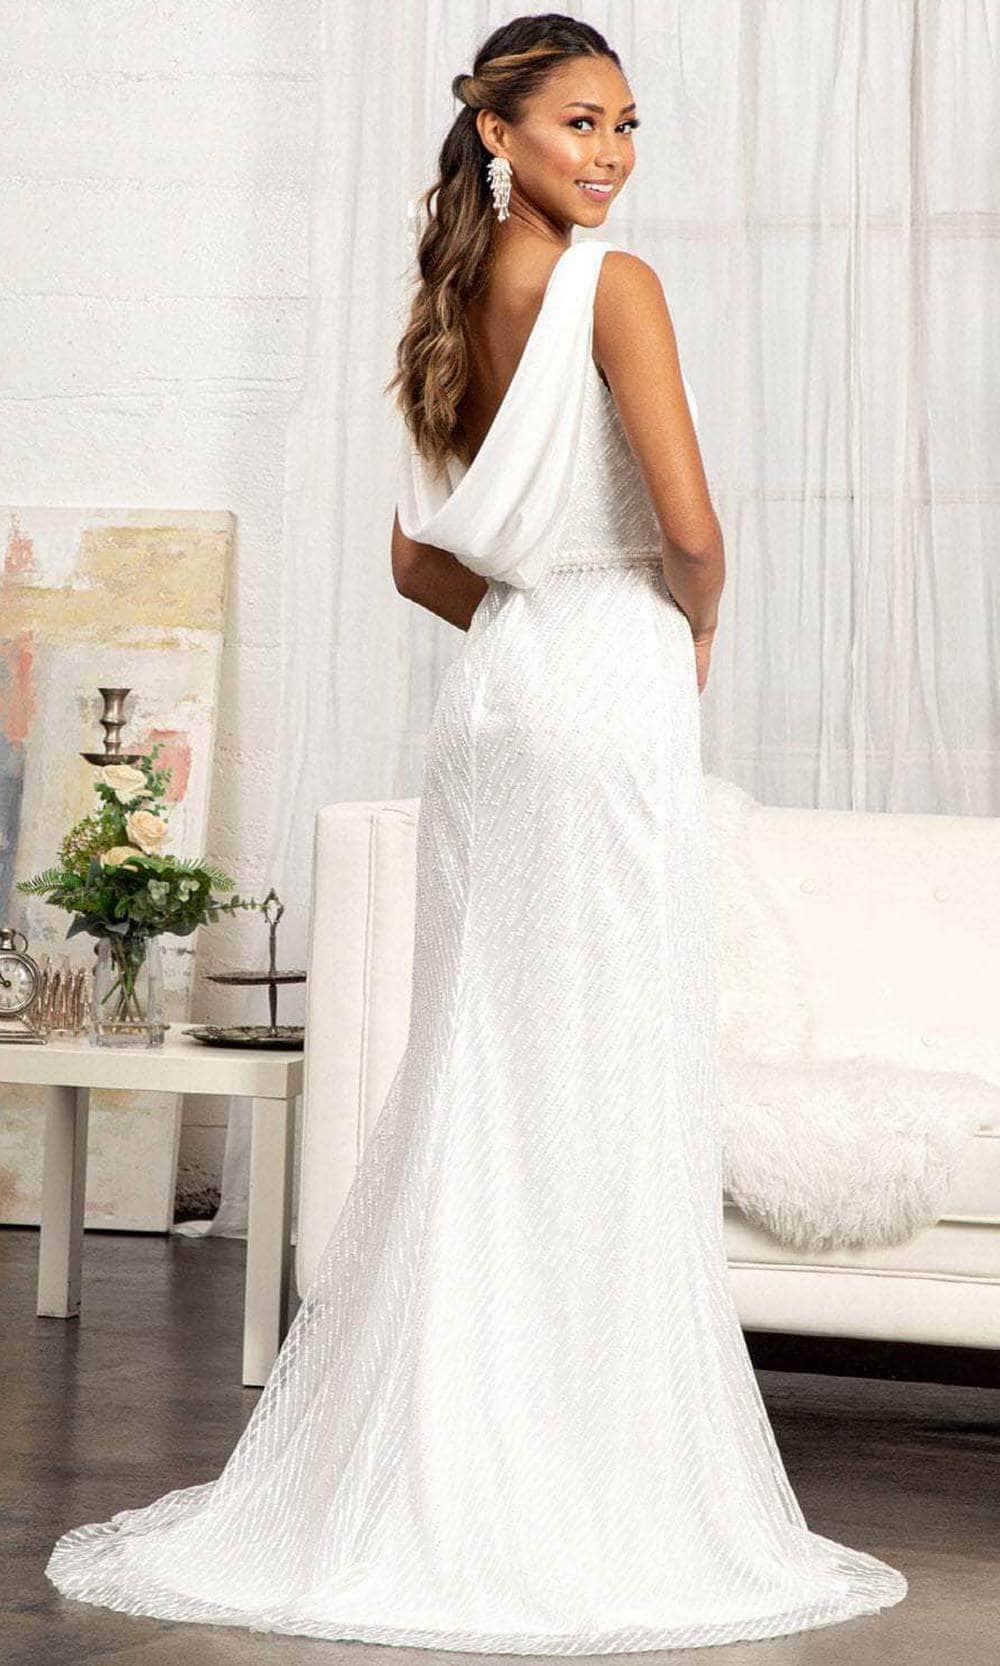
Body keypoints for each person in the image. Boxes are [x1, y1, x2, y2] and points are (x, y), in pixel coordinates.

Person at [44, 14, 908, 1654]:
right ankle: (580, 1478)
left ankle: (444, 1463)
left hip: (500, 697)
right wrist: (694, 618)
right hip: (610, 688)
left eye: (628, 124)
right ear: (498, 130)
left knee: (487, 1070)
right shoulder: (615, 286)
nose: (612, 152)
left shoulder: (445, 299)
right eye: (581, 119)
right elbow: (693, 525)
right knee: (598, 1068)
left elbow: (414, 561)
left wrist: (537, 617)